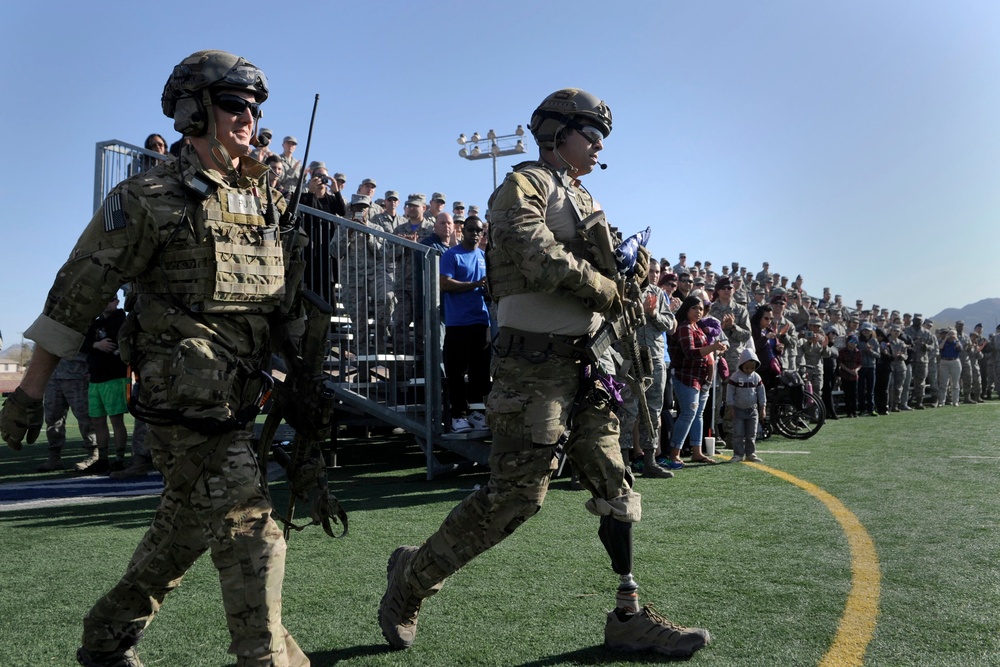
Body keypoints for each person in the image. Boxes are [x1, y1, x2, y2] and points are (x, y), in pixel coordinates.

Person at [0, 50, 311, 666]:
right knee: (252, 531)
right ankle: (268, 658)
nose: (247, 119)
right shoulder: (147, 197)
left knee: (183, 530)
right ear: (193, 112)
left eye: (254, 109)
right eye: (233, 105)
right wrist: (30, 393)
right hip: (182, 402)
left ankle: (105, 635)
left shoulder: (263, 200)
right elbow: (76, 295)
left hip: (238, 396)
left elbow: (278, 301)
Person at [377, 88, 711, 659]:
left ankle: (628, 614)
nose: (600, 143)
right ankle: (412, 579)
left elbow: (601, 269)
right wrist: (607, 285)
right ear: (558, 133)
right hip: (531, 369)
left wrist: (632, 271)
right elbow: (535, 254)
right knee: (515, 499)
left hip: (587, 366)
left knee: (615, 487)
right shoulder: (521, 185)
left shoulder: (583, 197)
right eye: (590, 132)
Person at [439, 216, 491, 432]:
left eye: (480, 231)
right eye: (471, 229)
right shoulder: (451, 255)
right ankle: (458, 415)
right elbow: (444, 283)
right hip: (457, 323)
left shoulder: (484, 256)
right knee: (457, 371)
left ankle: (476, 413)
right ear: (463, 231)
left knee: (480, 370)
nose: (476, 234)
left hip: (481, 320)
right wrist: (475, 284)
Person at [665, 295, 727, 469]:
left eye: (701, 309)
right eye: (694, 308)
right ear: (686, 309)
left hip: (700, 378)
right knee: (688, 413)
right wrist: (713, 347)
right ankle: (674, 453)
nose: (699, 311)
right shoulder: (684, 327)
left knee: (697, 414)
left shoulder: (697, 327)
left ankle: (697, 451)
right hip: (686, 376)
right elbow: (690, 353)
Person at [76, 297, 130, 474]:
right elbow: (81, 344)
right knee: (98, 421)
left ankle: (120, 459)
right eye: (104, 300)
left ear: (117, 301)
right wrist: (96, 344)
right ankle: (103, 459)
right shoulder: (96, 322)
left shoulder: (123, 321)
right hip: (95, 378)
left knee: (116, 420)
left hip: (115, 376)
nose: (107, 303)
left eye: (111, 300)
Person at [37, 353, 97, 472]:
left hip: (77, 375)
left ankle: (94, 455)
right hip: (53, 377)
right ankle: (54, 458)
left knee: (85, 416)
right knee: (52, 418)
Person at [725, 347, 766, 463]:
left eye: (752, 368)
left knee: (751, 434)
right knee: (738, 433)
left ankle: (750, 453)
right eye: (747, 367)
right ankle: (738, 454)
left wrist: (763, 407)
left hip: (753, 410)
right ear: (741, 364)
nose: (749, 370)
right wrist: (730, 407)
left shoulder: (756, 377)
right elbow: (730, 392)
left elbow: (761, 393)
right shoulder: (735, 377)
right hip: (738, 410)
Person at [838, 335, 862, 417]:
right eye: (851, 342)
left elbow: (860, 363)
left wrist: (856, 370)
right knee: (847, 394)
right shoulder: (842, 351)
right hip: (845, 375)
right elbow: (841, 363)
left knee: (854, 394)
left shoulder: (858, 352)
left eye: (855, 342)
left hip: (854, 375)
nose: (853, 344)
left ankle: (854, 411)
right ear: (848, 342)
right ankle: (849, 412)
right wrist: (849, 370)